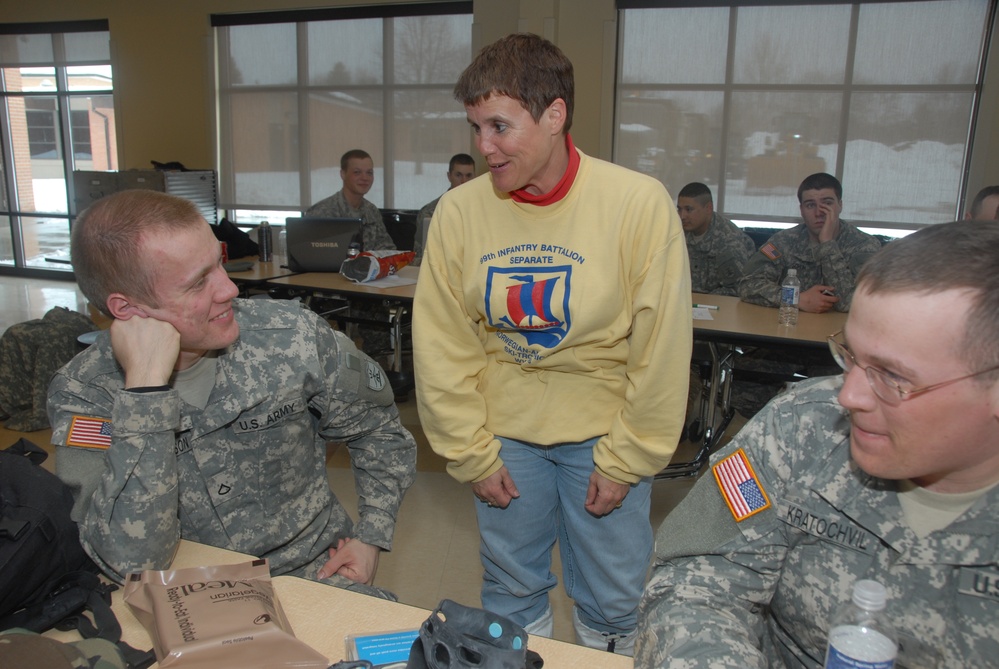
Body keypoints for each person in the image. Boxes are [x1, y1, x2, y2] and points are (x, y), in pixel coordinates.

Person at [412, 33, 691, 655]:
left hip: (606, 432)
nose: (483, 146)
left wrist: (629, 458)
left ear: (555, 114)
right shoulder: (460, 212)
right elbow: (441, 344)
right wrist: (470, 452)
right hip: (503, 435)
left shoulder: (636, 203)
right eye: (475, 126)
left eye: (500, 126)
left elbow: (662, 348)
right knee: (510, 589)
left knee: (616, 595)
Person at [635, 220, 999, 668]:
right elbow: (699, 579)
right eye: (851, 355)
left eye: (892, 376)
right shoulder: (800, 426)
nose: (848, 395)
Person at [47, 190, 417, 597]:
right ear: (128, 308)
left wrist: (371, 535)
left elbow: (379, 432)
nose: (230, 290)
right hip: (189, 594)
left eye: (219, 264)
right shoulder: (85, 393)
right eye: (197, 283)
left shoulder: (292, 336)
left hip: (318, 573)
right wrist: (146, 394)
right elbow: (133, 565)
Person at [737, 172, 881, 313]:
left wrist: (827, 243)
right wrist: (796, 299)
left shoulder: (864, 245)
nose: (819, 212)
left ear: (840, 205)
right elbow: (747, 285)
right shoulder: (784, 241)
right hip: (791, 327)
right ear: (801, 210)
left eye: (827, 203)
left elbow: (850, 303)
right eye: (810, 205)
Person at [306, 148, 396, 251]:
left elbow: (387, 250)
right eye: (357, 172)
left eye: (369, 173)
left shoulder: (371, 211)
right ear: (343, 174)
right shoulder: (321, 213)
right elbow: (311, 257)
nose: (365, 178)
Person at [677, 182, 756, 296]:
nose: (682, 216)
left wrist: (703, 300)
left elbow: (738, 289)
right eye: (679, 209)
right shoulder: (678, 232)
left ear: (708, 208)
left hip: (717, 306)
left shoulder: (729, 241)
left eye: (689, 209)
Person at [413, 153, 476, 265]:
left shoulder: (482, 210)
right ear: (449, 176)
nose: (463, 181)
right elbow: (419, 257)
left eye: (469, 175)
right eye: (458, 175)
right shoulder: (430, 212)